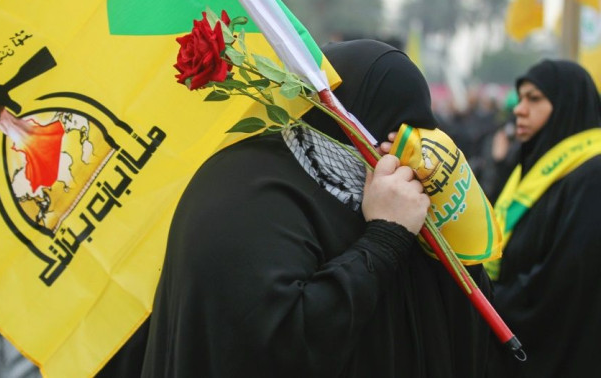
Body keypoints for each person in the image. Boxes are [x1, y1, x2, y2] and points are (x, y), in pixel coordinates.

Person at [101, 39, 493, 377]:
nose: (410, 147)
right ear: (351, 120)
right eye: (398, 130)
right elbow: (280, 348)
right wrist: (385, 238)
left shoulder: (394, 193)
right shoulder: (243, 197)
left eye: (421, 131)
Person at [486, 59, 601, 377]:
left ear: (567, 104)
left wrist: (491, 304)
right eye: (520, 98)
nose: (519, 110)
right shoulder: (532, 166)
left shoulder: (593, 175)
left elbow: (565, 278)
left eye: (534, 99)